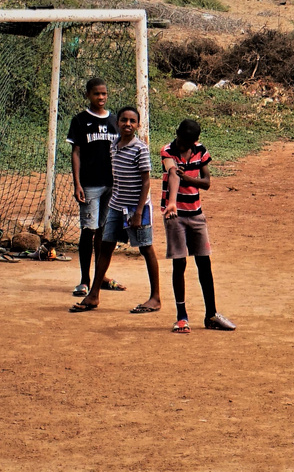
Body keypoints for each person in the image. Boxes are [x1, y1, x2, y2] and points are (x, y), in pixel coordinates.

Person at [70, 106, 162, 314]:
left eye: (132, 121)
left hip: (136, 207)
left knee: (146, 248)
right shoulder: (114, 146)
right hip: (116, 206)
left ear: (137, 125)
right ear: (117, 123)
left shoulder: (141, 148)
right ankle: (93, 294)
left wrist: (138, 211)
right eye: (123, 120)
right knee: (105, 245)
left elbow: (146, 182)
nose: (128, 124)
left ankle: (155, 297)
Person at [160, 119, 237, 334]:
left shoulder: (200, 150)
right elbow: (173, 174)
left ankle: (211, 314)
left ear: (196, 141)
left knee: (204, 264)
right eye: (182, 141)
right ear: (176, 135)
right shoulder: (167, 151)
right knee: (179, 264)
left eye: (189, 143)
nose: (185, 147)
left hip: (196, 215)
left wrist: (188, 179)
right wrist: (172, 202)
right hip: (174, 216)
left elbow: (207, 182)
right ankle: (181, 317)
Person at [64, 78, 124, 298]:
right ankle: (84, 280)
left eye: (104, 94)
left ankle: (101, 277)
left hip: (112, 184)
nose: (101, 97)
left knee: (104, 232)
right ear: (88, 95)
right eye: (97, 94)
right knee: (88, 230)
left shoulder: (115, 120)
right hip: (90, 185)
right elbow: (76, 153)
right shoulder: (80, 120)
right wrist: (77, 183)